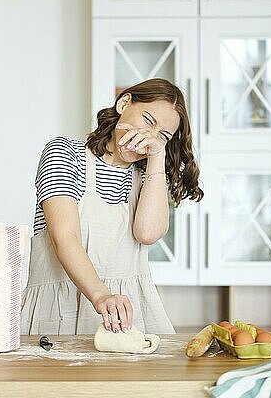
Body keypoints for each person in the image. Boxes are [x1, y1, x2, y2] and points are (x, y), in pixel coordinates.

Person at [20, 78, 204, 336]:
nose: (149, 137)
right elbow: (65, 238)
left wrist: (157, 157)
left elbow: (147, 234)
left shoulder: (148, 176)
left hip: (128, 315)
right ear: (124, 103)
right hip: (60, 307)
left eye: (163, 136)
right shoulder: (65, 152)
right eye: (148, 121)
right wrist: (101, 296)